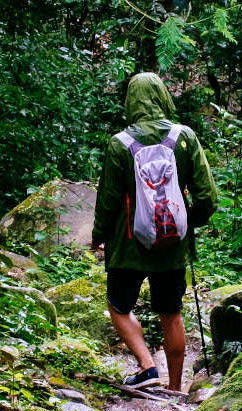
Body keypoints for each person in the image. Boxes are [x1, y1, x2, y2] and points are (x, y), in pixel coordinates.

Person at [91, 72, 218, 391]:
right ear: (163, 97)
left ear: (130, 102)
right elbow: (207, 196)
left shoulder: (120, 144)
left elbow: (107, 199)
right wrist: (189, 224)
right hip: (172, 244)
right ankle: (175, 389)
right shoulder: (184, 136)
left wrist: (99, 235)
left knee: (119, 306)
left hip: (128, 244)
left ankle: (147, 367)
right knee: (171, 315)